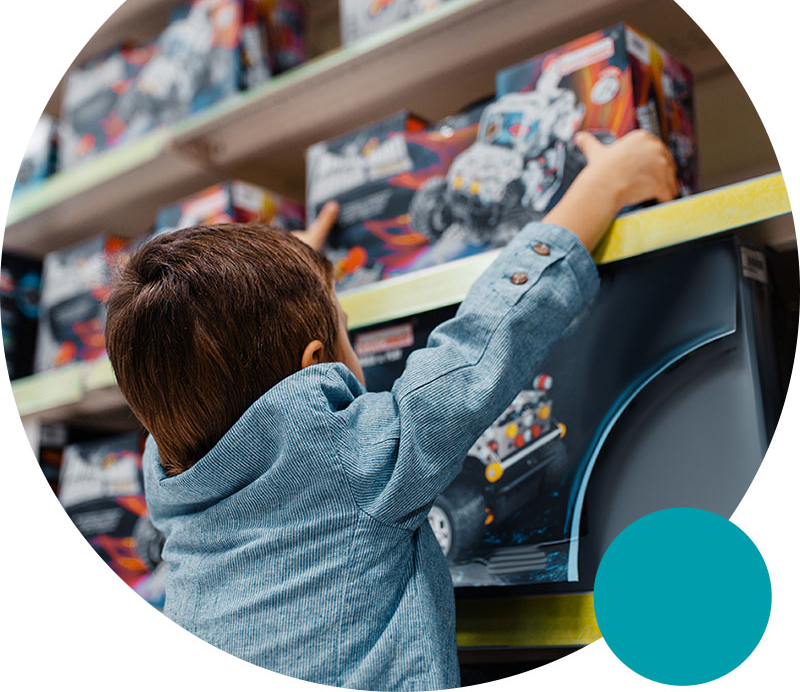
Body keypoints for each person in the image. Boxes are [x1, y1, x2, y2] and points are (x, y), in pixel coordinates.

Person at [105, 130, 677, 690]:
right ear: (315, 363)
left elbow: (221, 370)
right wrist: (605, 184)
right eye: (345, 332)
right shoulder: (355, 464)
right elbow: (484, 343)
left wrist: (281, 282)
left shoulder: (178, 506)